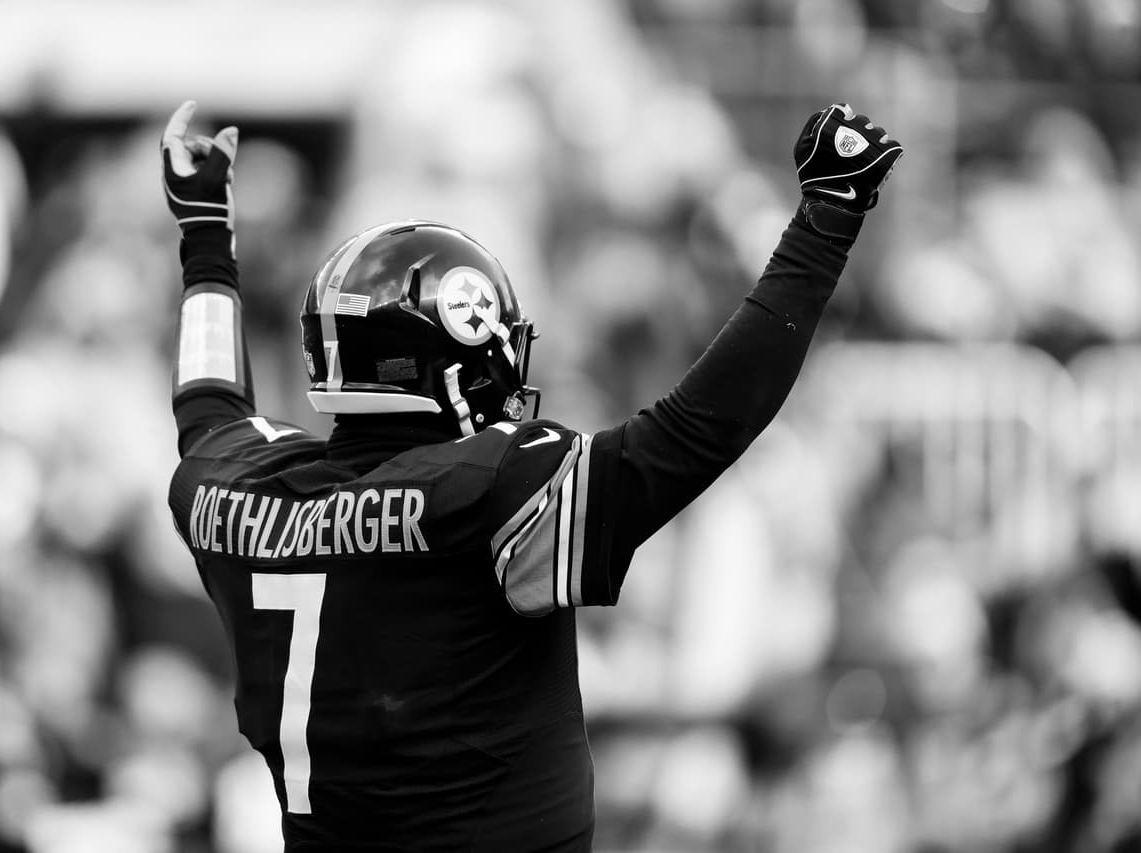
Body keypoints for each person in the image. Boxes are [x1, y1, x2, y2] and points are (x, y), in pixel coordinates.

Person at [161, 99, 902, 852]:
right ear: (458, 359)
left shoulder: (232, 487)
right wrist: (826, 222)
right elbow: (697, 431)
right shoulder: (485, 490)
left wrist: (204, 238)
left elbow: (208, 405)